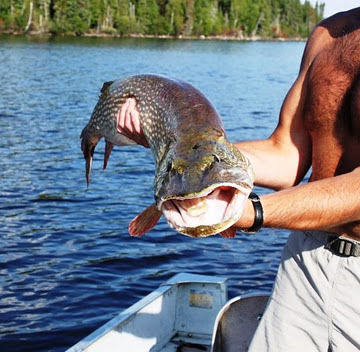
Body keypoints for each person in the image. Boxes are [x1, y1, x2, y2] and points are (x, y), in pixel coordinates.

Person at [116, 8, 360, 351]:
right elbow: (286, 153)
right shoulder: (329, 33)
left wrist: (248, 212)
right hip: (305, 259)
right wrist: (188, 155)